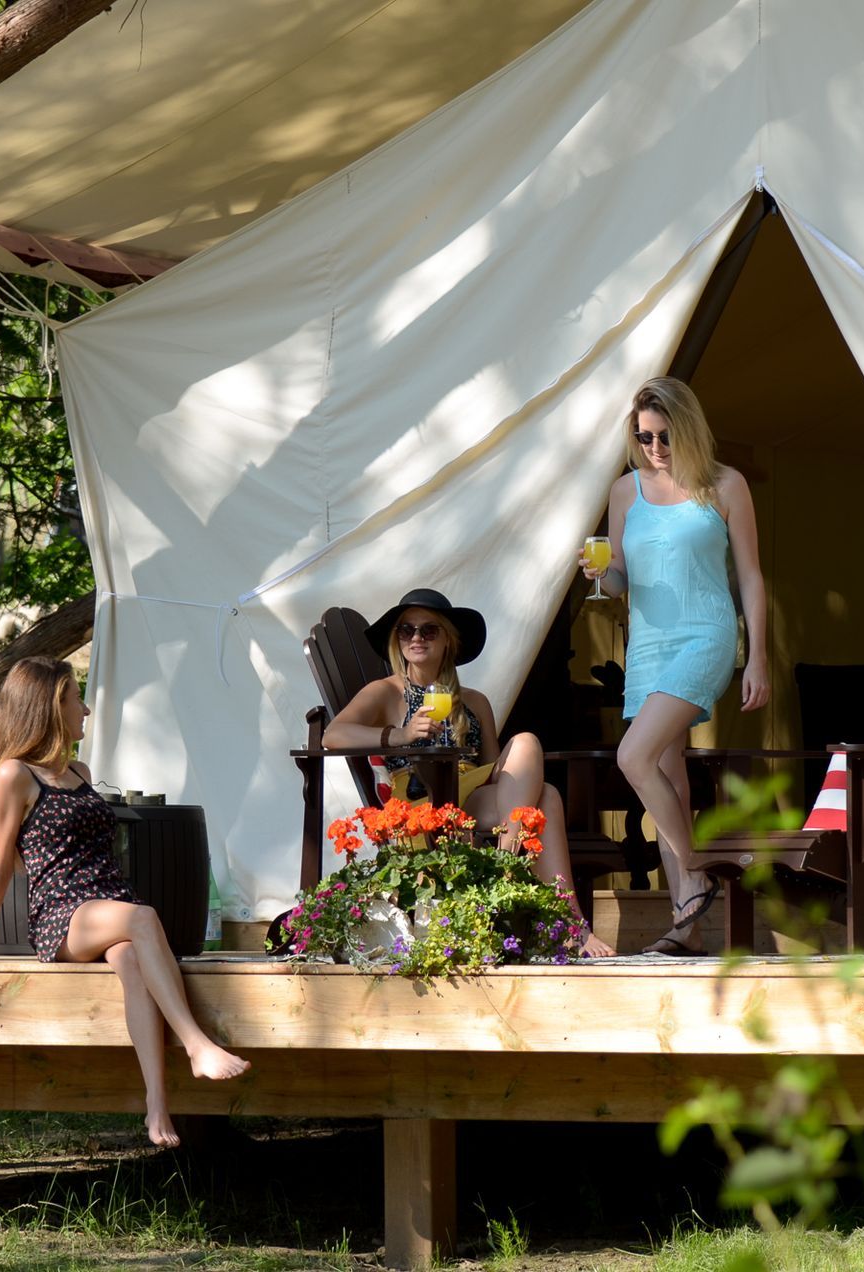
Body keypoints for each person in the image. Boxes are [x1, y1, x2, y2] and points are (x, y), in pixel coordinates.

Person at [0, 656, 249, 1147]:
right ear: (49, 706)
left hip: (108, 901)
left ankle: (157, 1106)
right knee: (143, 918)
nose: (86, 709)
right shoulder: (14, 776)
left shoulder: (79, 769)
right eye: (76, 698)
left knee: (135, 959)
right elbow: (1, 866)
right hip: (61, 914)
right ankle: (196, 1043)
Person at [580, 376, 768, 954]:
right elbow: (618, 580)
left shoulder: (725, 484)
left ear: (685, 427)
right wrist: (600, 574)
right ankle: (685, 929)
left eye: (663, 436)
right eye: (643, 437)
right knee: (669, 780)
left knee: (631, 755)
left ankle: (696, 870)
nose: (654, 449)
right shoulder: (624, 491)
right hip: (647, 646)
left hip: (706, 635)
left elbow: (752, 577)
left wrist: (757, 653)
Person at [324, 587, 615, 959]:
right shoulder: (385, 692)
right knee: (547, 794)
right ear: (397, 640)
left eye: (429, 630)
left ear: (449, 639)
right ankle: (561, 918)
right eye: (406, 630)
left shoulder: (475, 702)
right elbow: (334, 734)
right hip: (420, 799)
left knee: (535, 770)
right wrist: (399, 734)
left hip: (467, 794)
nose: (416, 638)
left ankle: (521, 879)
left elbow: (496, 772)